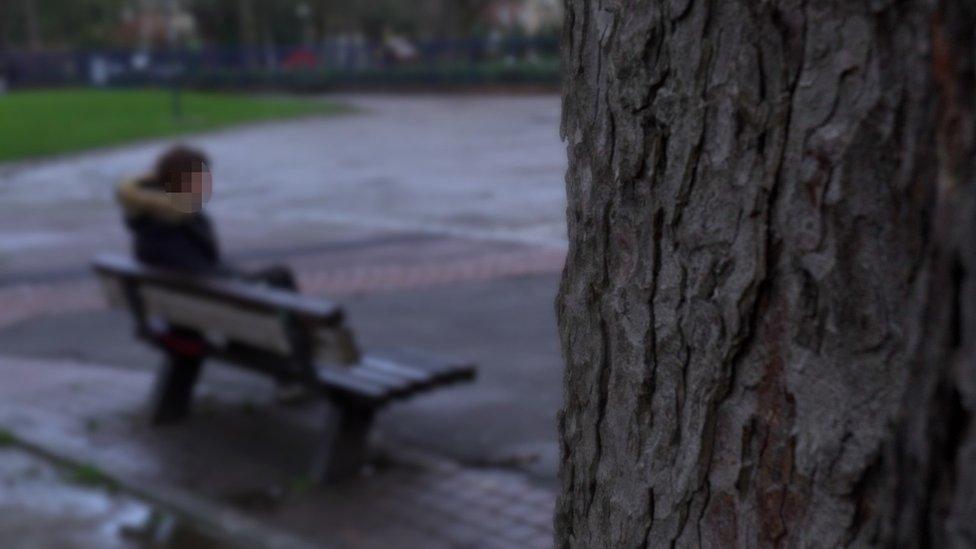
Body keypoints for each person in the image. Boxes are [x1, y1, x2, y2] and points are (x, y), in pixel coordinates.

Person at [117, 145, 296, 288]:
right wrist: (241, 279)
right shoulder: (170, 226)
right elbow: (202, 274)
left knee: (275, 276)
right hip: (213, 297)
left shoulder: (148, 222)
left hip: (191, 302)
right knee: (279, 277)